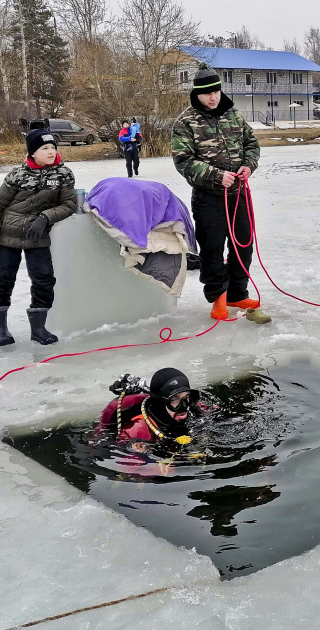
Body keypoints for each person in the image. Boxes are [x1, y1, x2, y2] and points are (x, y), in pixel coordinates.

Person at [171, 64, 261, 320]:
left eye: (216, 91)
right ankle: (218, 299)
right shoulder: (185, 122)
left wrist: (248, 165)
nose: (213, 97)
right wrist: (216, 176)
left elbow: (251, 143)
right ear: (197, 94)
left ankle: (236, 293)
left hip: (239, 193)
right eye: (207, 93)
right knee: (212, 248)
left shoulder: (232, 114)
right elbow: (183, 161)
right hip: (209, 197)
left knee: (243, 244)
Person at [0, 129, 76, 346]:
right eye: (45, 148)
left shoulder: (63, 174)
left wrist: (45, 217)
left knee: (44, 279)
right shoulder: (18, 174)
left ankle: (38, 328)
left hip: (38, 235)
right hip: (8, 235)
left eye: (53, 147)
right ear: (33, 153)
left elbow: (69, 204)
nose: (51, 152)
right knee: (3, 280)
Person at [95, 368, 202, 444]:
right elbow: (133, 471)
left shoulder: (192, 409)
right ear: (160, 403)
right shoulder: (139, 430)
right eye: (174, 400)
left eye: (187, 397)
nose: (184, 407)